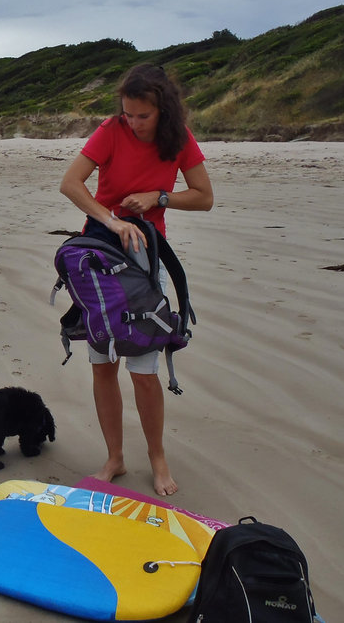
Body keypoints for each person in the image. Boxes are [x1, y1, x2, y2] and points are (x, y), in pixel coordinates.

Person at [59, 64, 213, 496]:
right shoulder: (111, 130)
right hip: (99, 253)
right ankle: (114, 458)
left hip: (147, 259)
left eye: (142, 116)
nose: (134, 123)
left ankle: (158, 459)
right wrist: (111, 218)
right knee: (103, 362)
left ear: (162, 110)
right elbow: (70, 184)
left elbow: (205, 197)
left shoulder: (178, 139)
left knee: (144, 369)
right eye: (128, 114)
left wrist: (159, 198)